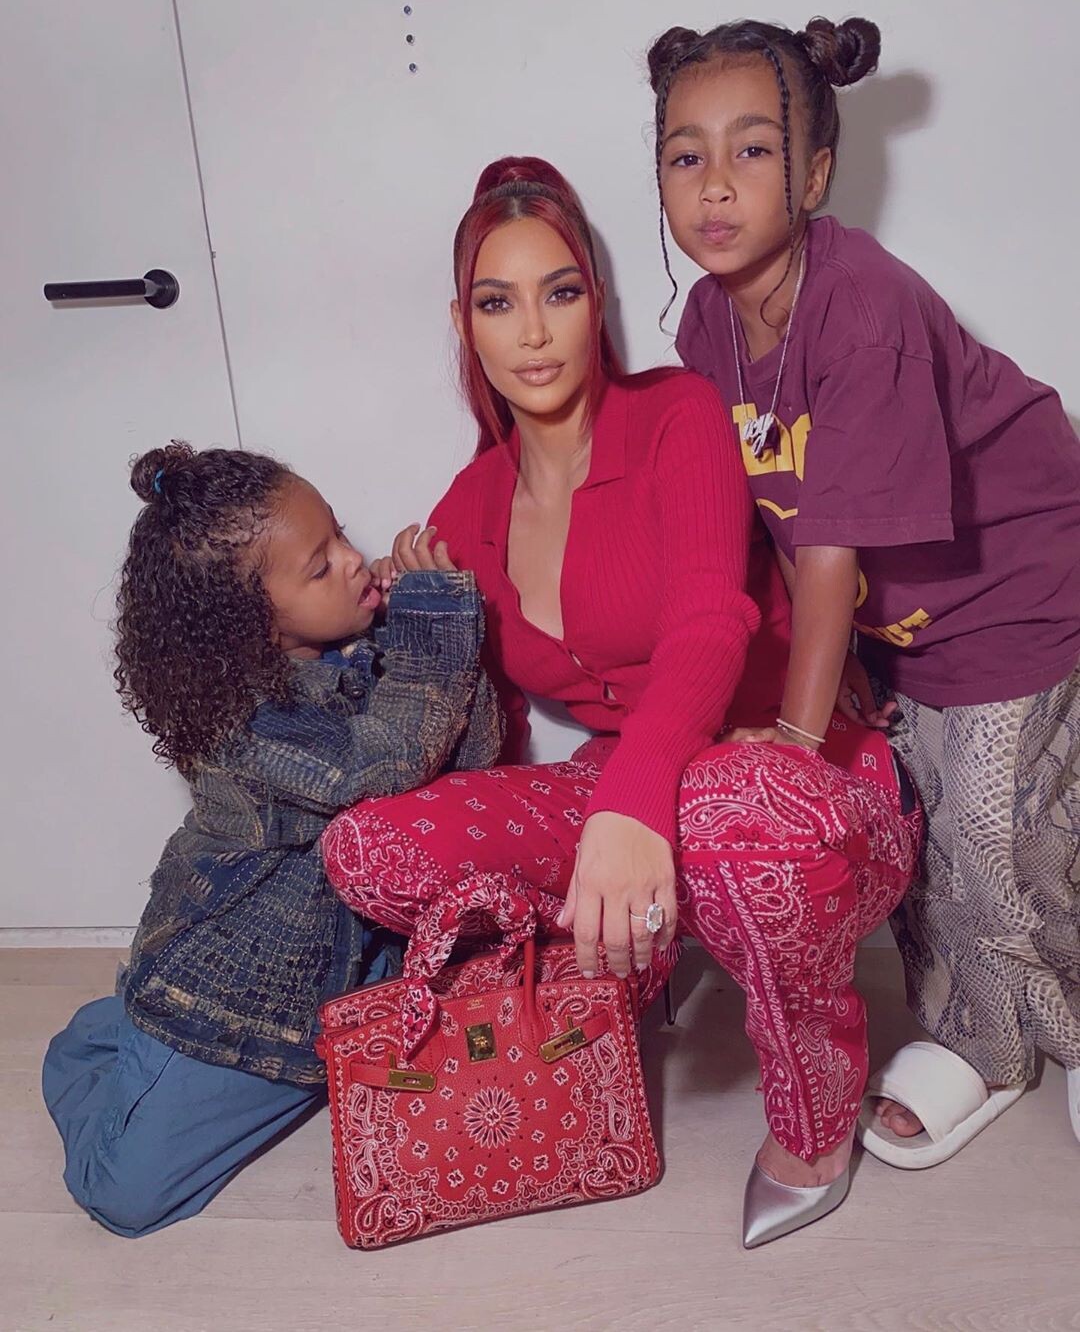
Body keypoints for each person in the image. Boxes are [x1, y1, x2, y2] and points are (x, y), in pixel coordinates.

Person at [322, 158, 920, 1246]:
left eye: (559, 292)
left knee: (732, 816)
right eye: (497, 303)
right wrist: (431, 607)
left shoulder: (675, 415)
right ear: (463, 323)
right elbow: (488, 720)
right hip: (626, 791)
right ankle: (614, 972)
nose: (533, 333)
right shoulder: (470, 504)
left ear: (595, 299)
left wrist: (632, 804)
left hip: (793, 782)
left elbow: (709, 623)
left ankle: (816, 1116)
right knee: (371, 851)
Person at [649, 15, 1080, 1163]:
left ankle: (1056, 1027)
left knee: (1003, 831)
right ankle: (976, 1032)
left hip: (1009, 583)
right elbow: (762, 512)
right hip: (899, 619)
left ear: (815, 174)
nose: (715, 184)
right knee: (926, 832)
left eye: (752, 149)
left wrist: (799, 737)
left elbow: (831, 541)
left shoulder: (865, 307)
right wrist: (821, 665)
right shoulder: (708, 320)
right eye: (686, 155)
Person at [42, 441, 501, 1236]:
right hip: (232, 1002)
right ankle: (115, 1037)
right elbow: (382, 763)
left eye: (341, 534)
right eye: (320, 567)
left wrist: (421, 623)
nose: (353, 560)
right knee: (122, 1195)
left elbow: (470, 755)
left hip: (340, 989)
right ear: (253, 621)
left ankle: (138, 1038)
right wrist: (433, 631)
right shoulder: (243, 726)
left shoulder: (367, 654)